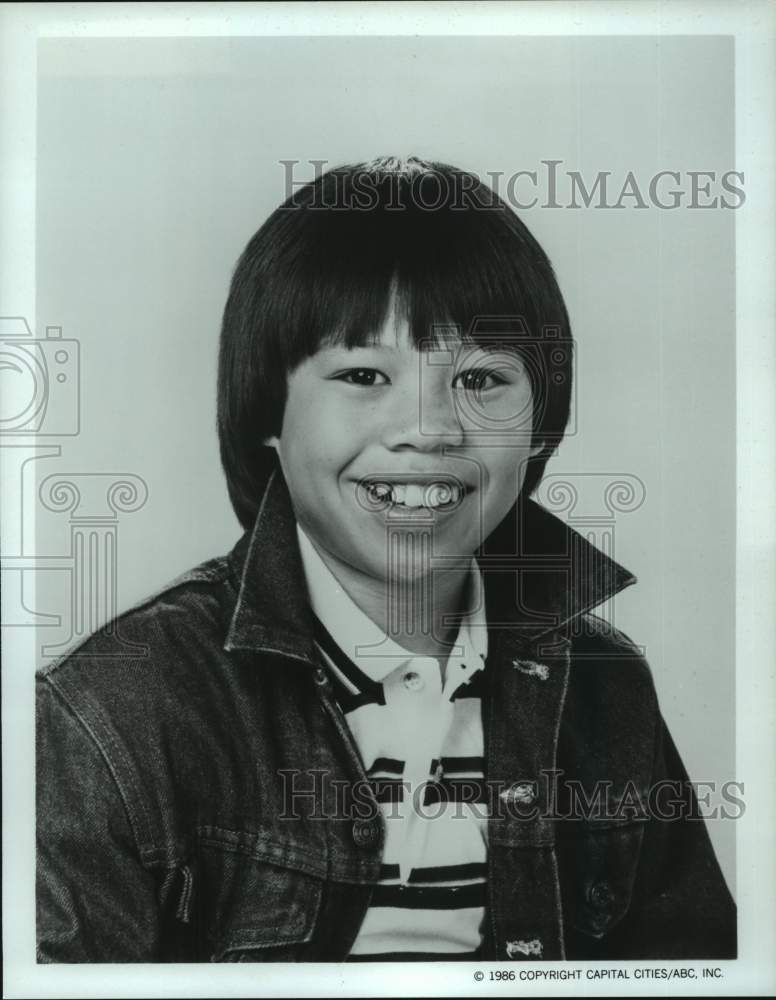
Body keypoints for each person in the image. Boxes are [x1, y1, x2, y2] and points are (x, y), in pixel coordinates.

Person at [36, 156, 736, 962]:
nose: (430, 430)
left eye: (480, 378)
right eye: (364, 374)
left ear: (543, 424)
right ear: (268, 410)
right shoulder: (115, 710)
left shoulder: (605, 693)